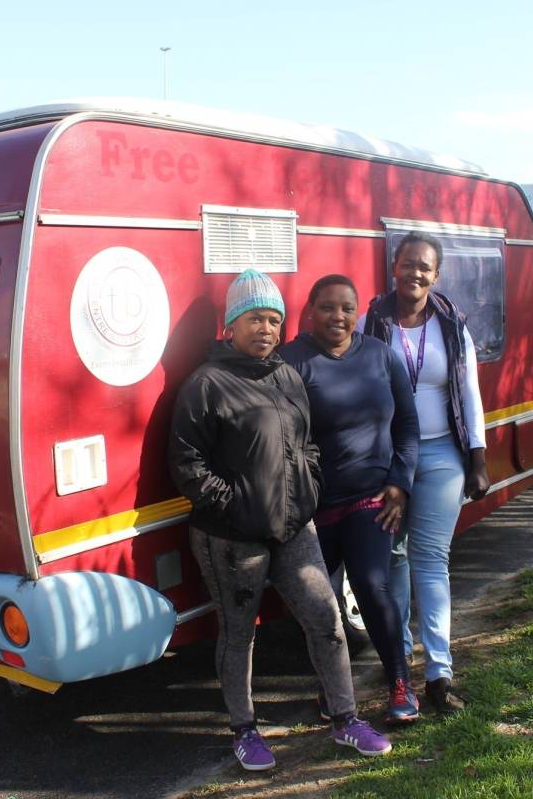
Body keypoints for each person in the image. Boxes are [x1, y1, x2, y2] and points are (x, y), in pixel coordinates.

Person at [169, 268, 392, 772]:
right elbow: (188, 464)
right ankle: (244, 730)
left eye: (273, 320)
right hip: (230, 538)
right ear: (231, 325)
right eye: (254, 319)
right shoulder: (206, 384)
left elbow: (306, 443)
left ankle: (345, 719)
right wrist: (236, 505)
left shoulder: (288, 375)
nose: (266, 330)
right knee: (239, 633)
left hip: (294, 527)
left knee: (326, 619)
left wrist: (307, 487)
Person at [280, 274, 422, 725]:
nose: (337, 316)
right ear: (310, 310)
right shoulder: (291, 362)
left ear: (356, 312)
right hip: (313, 507)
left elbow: (408, 427)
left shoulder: (380, 356)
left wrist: (400, 483)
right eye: (327, 307)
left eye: (346, 308)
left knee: (371, 584)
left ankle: (399, 681)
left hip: (371, 497)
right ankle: (332, 686)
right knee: (320, 604)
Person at [361, 232, 490, 714]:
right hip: (387, 459)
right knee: (392, 560)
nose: (415, 272)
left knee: (430, 560)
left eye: (425, 267)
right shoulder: (371, 321)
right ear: (394, 266)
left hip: (440, 457)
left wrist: (477, 459)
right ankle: (400, 673)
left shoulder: (453, 326)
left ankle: (439, 673)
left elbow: (470, 394)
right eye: (408, 263)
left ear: (436, 276)